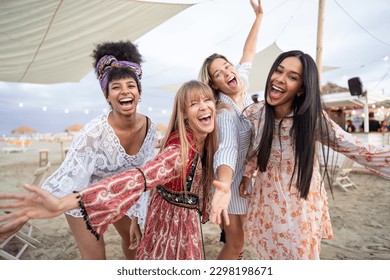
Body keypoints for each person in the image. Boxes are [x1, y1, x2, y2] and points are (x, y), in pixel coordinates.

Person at [0, 80, 231, 260]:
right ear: (183, 114)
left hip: (179, 224)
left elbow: (151, 185)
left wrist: (136, 219)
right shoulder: (178, 153)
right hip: (169, 231)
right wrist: (64, 203)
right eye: (193, 103)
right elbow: (139, 178)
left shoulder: (204, 141)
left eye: (207, 100)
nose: (203, 106)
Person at [0, 41, 157, 259]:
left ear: (139, 92)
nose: (124, 92)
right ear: (107, 96)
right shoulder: (94, 133)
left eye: (130, 85)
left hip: (120, 194)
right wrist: (25, 216)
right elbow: (66, 178)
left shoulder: (150, 128)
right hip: (82, 197)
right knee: (95, 260)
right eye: (116, 87)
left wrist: (139, 217)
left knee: (137, 248)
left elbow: (145, 176)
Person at [236, 50, 390, 259]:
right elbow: (254, 148)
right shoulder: (255, 113)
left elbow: (356, 148)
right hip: (266, 200)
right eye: (278, 71)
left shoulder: (312, 119)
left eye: (292, 77)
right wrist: (246, 174)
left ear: (301, 89)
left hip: (300, 201)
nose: (280, 79)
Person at [198, 0, 263, 260]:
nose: (226, 72)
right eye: (218, 74)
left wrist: (259, 16)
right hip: (229, 181)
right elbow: (227, 148)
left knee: (240, 243)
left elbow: (249, 52)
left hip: (245, 179)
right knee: (235, 244)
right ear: (215, 85)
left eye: (227, 66)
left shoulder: (242, 87)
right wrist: (223, 186)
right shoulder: (224, 111)